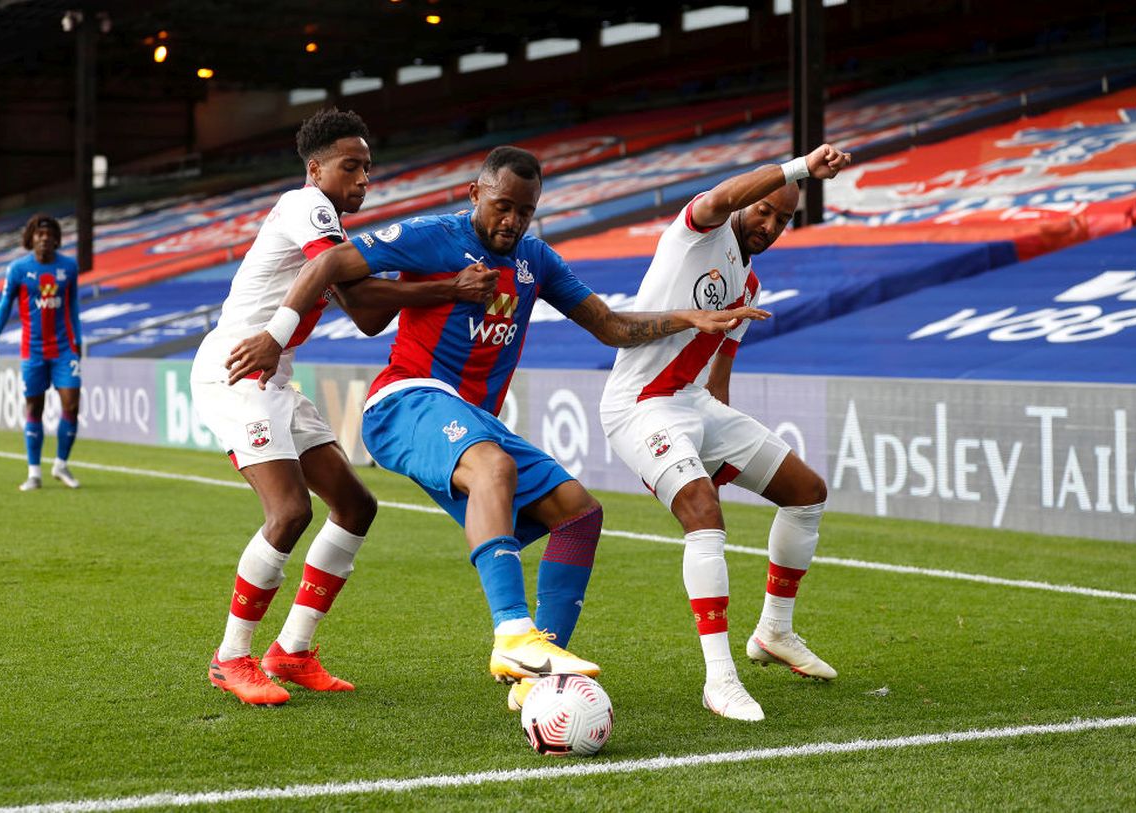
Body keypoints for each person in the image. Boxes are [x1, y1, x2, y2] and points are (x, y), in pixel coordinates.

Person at [224, 146, 764, 710]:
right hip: (405, 399)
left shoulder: (537, 260)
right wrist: (278, 334)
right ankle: (513, 633)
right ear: (476, 194)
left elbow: (609, 326)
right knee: (493, 464)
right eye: (503, 206)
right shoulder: (433, 235)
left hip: (471, 420)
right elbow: (327, 266)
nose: (512, 221)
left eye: (525, 212)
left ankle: (540, 675)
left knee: (579, 514)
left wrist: (687, 318)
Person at [191, 108, 498, 707]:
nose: (362, 179)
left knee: (356, 505)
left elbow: (365, 312)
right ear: (316, 169)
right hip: (240, 367)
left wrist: (426, 280)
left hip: (273, 373)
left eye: (368, 169)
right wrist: (449, 286)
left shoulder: (331, 230)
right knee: (288, 512)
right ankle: (230, 658)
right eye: (350, 166)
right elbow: (358, 292)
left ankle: (293, 650)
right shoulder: (308, 206)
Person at [599, 144, 852, 722]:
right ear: (746, 202)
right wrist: (799, 170)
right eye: (763, 210)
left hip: (694, 406)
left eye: (783, 218)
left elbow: (719, 378)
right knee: (703, 513)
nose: (769, 224)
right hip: (639, 406)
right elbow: (722, 196)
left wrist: (717, 443)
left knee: (806, 492)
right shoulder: (698, 231)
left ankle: (774, 632)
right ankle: (720, 678)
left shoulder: (748, 284)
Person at [0, 214, 83, 491]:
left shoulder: (68, 267)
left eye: (50, 234)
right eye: (39, 234)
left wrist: (78, 340)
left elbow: (73, 306)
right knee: (34, 408)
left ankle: (61, 464)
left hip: (64, 349)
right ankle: (34, 472)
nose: (45, 238)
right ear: (31, 239)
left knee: (72, 405)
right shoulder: (18, 269)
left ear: (56, 239)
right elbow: (4, 307)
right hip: (33, 351)